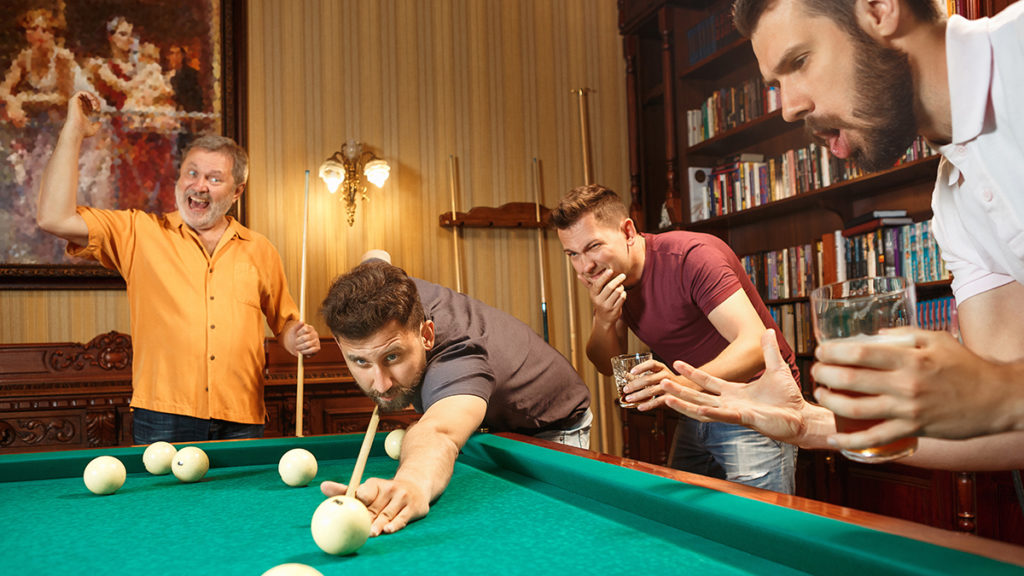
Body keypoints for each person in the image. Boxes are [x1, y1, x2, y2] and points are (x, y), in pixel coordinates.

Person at [640, 0, 1024, 470]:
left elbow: (1004, 398)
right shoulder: (954, 200)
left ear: (880, 9)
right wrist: (811, 424)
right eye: (777, 85)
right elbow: (1005, 424)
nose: (790, 107)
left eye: (799, 61)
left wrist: (999, 391)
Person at [35, 91, 321, 444]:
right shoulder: (138, 233)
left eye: (215, 179)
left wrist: (297, 337)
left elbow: (285, 324)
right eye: (192, 173)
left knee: (239, 503)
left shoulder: (260, 249)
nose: (199, 185)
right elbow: (53, 216)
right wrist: (73, 132)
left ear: (237, 192)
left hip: (242, 416)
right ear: (178, 181)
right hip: (164, 417)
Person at [318, 254, 592, 536]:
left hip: (550, 426)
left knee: (547, 535)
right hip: (491, 421)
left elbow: (441, 431)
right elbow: (376, 259)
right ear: (340, 346)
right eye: (361, 361)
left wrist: (411, 483)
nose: (382, 384)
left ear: (426, 335)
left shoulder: (458, 360)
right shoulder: (383, 289)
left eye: (392, 356)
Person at [551, 184, 800, 493]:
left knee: (761, 525)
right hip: (696, 402)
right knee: (682, 517)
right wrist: (603, 319)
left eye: (593, 247)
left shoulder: (692, 257)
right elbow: (605, 364)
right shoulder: (610, 275)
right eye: (572, 254)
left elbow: (757, 346)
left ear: (628, 232)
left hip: (756, 398)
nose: (585, 266)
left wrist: (680, 384)